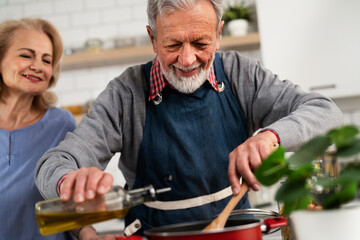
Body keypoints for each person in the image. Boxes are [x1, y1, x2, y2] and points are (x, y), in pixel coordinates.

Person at [35, 0, 343, 236]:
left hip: (234, 233)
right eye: (172, 44)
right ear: (153, 38)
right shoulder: (125, 94)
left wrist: (270, 137)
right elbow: (54, 162)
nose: (187, 59)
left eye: (200, 43)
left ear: (219, 34)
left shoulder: (241, 74)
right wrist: (69, 181)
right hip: (155, 236)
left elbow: (327, 113)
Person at [0, 18, 99, 240]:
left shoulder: (60, 123)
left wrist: (88, 233)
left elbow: (69, 202)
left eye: (47, 60)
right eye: (26, 55)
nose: (37, 66)